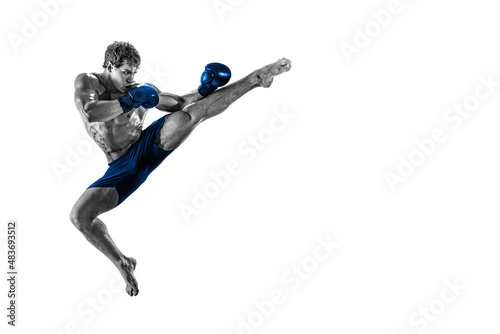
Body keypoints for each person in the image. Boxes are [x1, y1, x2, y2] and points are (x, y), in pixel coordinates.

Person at [70, 41, 292, 296]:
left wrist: (203, 89)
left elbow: (177, 102)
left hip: (145, 146)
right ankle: (122, 261)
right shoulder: (88, 82)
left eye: (134, 72)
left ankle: (256, 78)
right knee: (80, 217)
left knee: (190, 115)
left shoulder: (140, 90)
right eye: (126, 72)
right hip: (121, 167)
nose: (131, 78)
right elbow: (90, 112)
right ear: (110, 66)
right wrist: (132, 100)